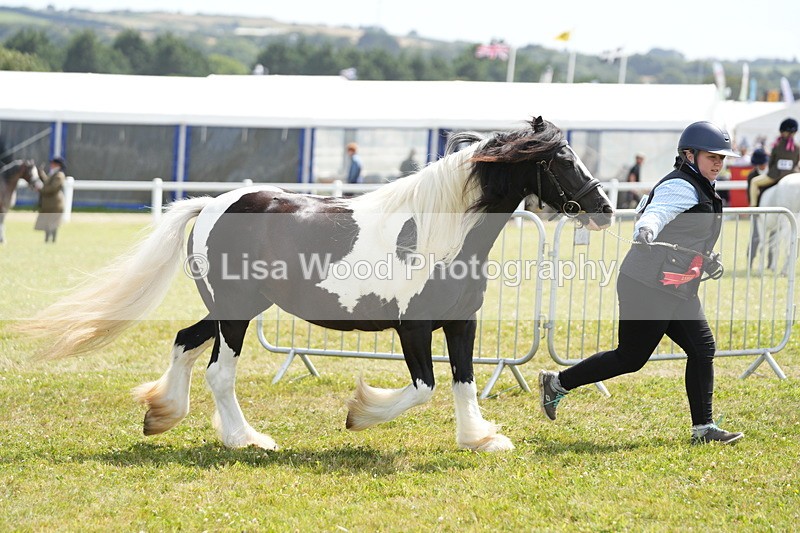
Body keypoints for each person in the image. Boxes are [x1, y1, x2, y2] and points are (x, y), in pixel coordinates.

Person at [539, 121, 744, 445]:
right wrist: (646, 230)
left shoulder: (700, 184)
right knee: (631, 358)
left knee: (703, 349)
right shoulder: (682, 186)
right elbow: (656, 213)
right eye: (712, 157)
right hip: (647, 285)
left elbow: (673, 223)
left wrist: (706, 257)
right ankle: (558, 382)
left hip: (678, 285)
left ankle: (703, 429)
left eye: (722, 158)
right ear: (689, 155)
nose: (718, 163)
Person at [748, 118, 799, 207]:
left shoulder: (777, 146)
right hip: (793, 173)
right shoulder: (798, 147)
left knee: (754, 182)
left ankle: (753, 207)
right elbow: (796, 162)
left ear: (782, 131)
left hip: (775, 175)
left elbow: (771, 162)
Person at [35, 156, 66, 243]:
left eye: (53, 163)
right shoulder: (53, 173)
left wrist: (40, 190)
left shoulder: (59, 175)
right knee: (48, 222)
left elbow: (52, 188)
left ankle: (53, 240)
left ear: (58, 165)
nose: (51, 165)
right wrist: (41, 173)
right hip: (49, 203)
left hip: (55, 203)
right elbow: (47, 182)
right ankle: (47, 240)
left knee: (53, 223)